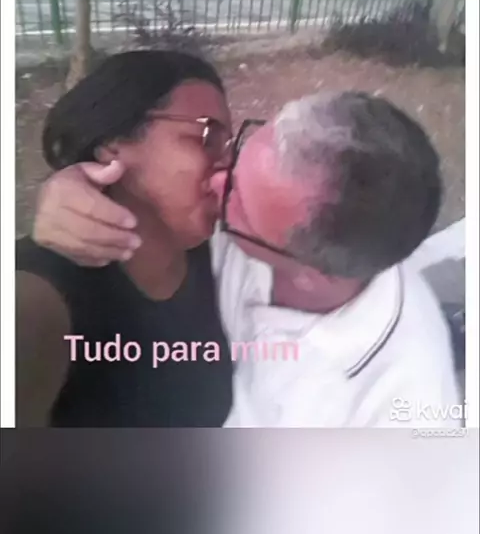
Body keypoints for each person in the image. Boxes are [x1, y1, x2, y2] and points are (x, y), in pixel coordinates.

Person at [30, 88, 460, 428]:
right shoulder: (255, 229)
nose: (215, 180)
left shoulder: (408, 402)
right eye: (241, 150)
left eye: (237, 201)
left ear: (310, 275)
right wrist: (71, 192)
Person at [16, 49, 234, 427]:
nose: (228, 167)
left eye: (231, 145)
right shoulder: (43, 291)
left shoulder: (225, 257)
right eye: (206, 137)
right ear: (113, 145)